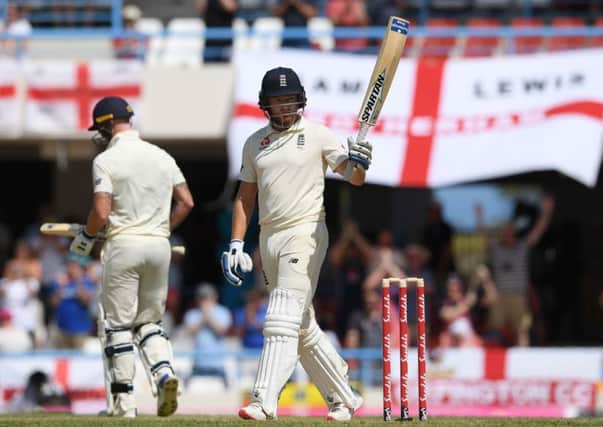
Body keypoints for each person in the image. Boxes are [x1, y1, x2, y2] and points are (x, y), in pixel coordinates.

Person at [220, 66, 371, 421]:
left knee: (281, 317)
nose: (286, 108)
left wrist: (360, 161)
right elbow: (244, 198)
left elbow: (353, 177)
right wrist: (236, 244)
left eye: (291, 101)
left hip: (305, 232)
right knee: (300, 326)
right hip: (269, 237)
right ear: (266, 105)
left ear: (300, 102)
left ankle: (262, 400)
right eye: (278, 102)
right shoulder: (255, 142)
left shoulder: (319, 135)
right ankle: (343, 396)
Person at [69, 96, 194, 417]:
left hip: (124, 245)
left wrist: (87, 235)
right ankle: (164, 373)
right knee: (149, 321)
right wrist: (160, 228)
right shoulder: (162, 156)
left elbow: (101, 210)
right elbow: (187, 203)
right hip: (159, 246)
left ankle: (124, 405)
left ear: (108, 125)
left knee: (117, 325)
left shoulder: (107, 160)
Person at [475, 193, 554, 347]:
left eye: (510, 232)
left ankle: (522, 364)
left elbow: (538, 231)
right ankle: (495, 361)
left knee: (521, 330)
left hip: (519, 295)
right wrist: (479, 216)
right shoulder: (496, 248)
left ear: (514, 234)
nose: (507, 234)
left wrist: (546, 212)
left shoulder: (522, 247)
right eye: (505, 232)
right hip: (500, 296)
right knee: (495, 330)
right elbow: (483, 236)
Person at [183, 283, 232, 385]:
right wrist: (202, 318)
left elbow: (221, 331)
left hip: (218, 365)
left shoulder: (223, 312)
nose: (204, 300)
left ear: (214, 297)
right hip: (198, 364)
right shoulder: (192, 314)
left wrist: (208, 316)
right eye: (201, 297)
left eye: (207, 297)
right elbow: (189, 332)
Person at [49, 253, 96, 349]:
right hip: (62, 328)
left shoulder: (86, 281)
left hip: (80, 329)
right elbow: (53, 303)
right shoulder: (60, 281)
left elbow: (85, 300)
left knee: (79, 361)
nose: (71, 268)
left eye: (74, 265)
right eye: (69, 265)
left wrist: (78, 280)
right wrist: (60, 286)